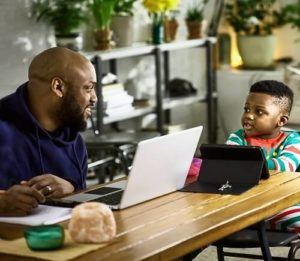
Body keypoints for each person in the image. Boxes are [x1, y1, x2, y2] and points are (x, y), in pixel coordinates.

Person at [0, 47, 97, 216]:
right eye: (88, 88)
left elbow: (78, 199)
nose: (94, 98)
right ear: (58, 87)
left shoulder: (73, 139)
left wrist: (71, 188)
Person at [226, 80, 300, 232]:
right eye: (246, 109)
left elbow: (284, 166)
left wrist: (245, 163)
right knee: (199, 223)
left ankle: (255, 224)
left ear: (281, 120)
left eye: (259, 112)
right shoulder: (238, 137)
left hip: (280, 204)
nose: (249, 116)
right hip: (241, 203)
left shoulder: (293, 140)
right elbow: (228, 160)